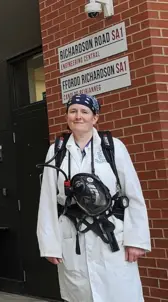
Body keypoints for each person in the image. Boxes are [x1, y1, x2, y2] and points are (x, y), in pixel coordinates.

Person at [36, 94, 151, 302]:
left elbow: (132, 194)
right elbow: (48, 200)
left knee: (121, 294)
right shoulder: (57, 150)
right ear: (67, 116)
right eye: (73, 111)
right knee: (81, 294)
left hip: (112, 235)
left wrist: (136, 240)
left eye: (84, 112)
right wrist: (49, 244)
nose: (78, 116)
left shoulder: (112, 147)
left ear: (94, 118)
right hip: (73, 233)